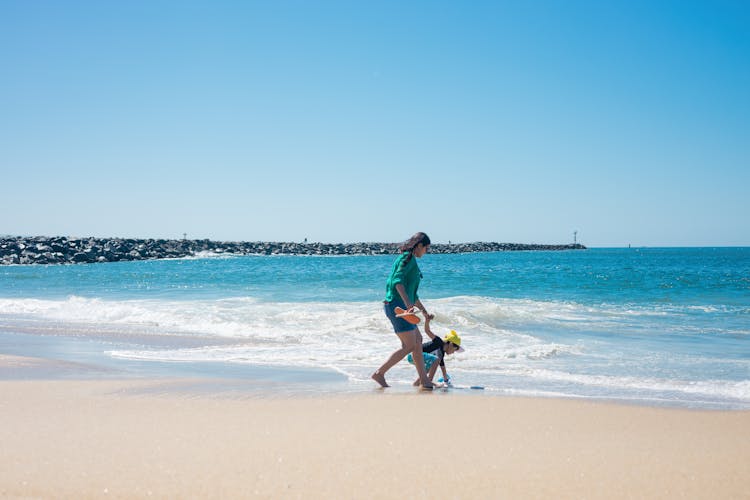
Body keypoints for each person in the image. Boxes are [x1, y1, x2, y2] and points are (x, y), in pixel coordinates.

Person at [372, 232, 434, 389]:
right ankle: (380, 373)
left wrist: (424, 311)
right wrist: (408, 307)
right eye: (426, 248)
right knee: (409, 345)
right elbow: (397, 283)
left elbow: (412, 294)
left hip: (401, 306)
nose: (426, 251)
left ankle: (423, 380)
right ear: (419, 245)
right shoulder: (406, 258)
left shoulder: (410, 260)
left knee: (418, 341)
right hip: (397, 307)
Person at [407, 315, 463, 387]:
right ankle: (429, 382)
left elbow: (442, 367)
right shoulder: (438, 341)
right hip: (413, 355)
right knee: (435, 360)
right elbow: (427, 331)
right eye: (455, 349)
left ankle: (417, 383)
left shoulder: (441, 354)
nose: (453, 352)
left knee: (429, 366)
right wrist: (427, 321)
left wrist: (446, 380)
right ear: (451, 344)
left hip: (417, 358)